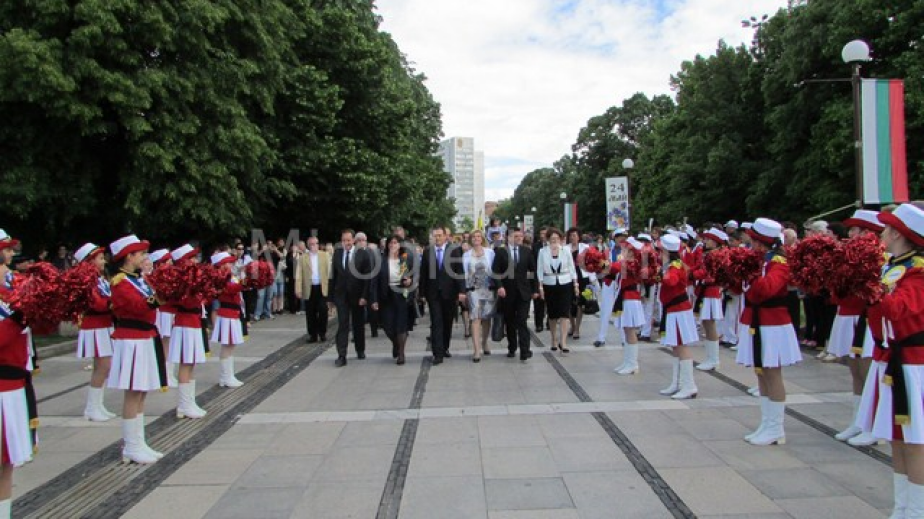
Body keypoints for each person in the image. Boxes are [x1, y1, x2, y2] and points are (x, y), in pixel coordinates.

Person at [852, 203, 924, 517]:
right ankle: (902, 506)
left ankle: (918, 510)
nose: (881, 233)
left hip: (912, 364)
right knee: (896, 438)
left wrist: (872, 286)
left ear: (897, 233)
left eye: (886, 228)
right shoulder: (891, 265)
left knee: (915, 441)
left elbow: (897, 310)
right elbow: (877, 317)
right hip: (890, 358)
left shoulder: (918, 271)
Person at [737, 218, 801, 446]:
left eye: (752, 239)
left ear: (760, 242)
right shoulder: (761, 260)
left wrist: (751, 272)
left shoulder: (778, 262)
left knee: (772, 374)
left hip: (773, 324)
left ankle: (776, 428)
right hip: (757, 320)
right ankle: (766, 423)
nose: (748, 242)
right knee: (761, 373)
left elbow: (767, 289)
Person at [107, 235, 166, 464]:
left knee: (142, 392)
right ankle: (130, 446)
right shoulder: (120, 282)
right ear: (128, 256)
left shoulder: (139, 279)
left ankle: (139, 442)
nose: (144, 257)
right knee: (133, 392)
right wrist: (161, 297)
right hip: (132, 339)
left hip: (145, 337)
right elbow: (138, 306)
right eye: (140, 253)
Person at [828, 210, 884, 446]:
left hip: (867, 319)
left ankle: (874, 425)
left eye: (854, 229)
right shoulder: (849, 255)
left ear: (868, 232)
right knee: (855, 371)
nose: (850, 234)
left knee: (869, 372)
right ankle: (858, 421)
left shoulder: (879, 257)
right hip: (850, 315)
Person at [0, 230, 36, 513]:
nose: (12, 256)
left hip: (13, 383)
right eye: (6, 252)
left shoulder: (8, 292)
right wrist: (18, 318)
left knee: (7, 461)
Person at [73, 242, 117, 422]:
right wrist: (114, 303)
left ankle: (97, 405)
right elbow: (96, 303)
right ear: (89, 261)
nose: (103, 261)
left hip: (104, 324)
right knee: (103, 366)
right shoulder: (87, 280)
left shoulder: (100, 278)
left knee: (103, 367)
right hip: (95, 326)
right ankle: (91, 407)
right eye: (99, 258)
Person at [167, 244, 208, 419]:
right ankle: (183, 405)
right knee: (186, 363)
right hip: (184, 323)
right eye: (191, 258)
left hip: (193, 322)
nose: (195, 261)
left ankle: (189, 401)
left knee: (191, 363)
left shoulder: (192, 279)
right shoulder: (180, 281)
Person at [658, 234, 699, 399]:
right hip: (673, 309)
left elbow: (671, 281)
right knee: (675, 346)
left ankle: (689, 385)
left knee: (681, 346)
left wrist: (661, 273)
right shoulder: (671, 265)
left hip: (679, 309)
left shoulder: (675, 266)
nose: (658, 254)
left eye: (661, 251)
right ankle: (677, 383)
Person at [419, 225, 466, 365]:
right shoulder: (428, 251)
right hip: (433, 293)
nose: (437, 238)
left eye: (440, 235)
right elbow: (423, 273)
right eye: (435, 235)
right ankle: (437, 353)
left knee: (447, 322)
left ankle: (445, 347)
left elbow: (459, 271)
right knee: (436, 322)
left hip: (450, 293)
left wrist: (462, 291)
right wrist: (421, 293)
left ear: (445, 236)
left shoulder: (454, 250)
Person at [494, 228, 539, 362]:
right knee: (510, 321)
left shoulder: (526, 251)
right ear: (508, 237)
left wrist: (535, 289)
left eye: (520, 236)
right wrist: (499, 286)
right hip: (507, 292)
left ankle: (525, 350)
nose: (519, 238)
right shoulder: (501, 252)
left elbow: (533, 271)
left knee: (522, 320)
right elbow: (495, 271)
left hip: (524, 292)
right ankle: (512, 347)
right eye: (516, 236)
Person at [328, 229, 371, 367]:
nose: (346, 243)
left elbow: (367, 278)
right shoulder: (337, 254)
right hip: (341, 296)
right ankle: (342, 355)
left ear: (353, 240)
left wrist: (364, 296)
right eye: (343, 240)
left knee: (358, 324)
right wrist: (330, 298)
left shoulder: (362, 254)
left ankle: (360, 349)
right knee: (343, 324)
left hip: (357, 295)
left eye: (348, 240)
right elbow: (333, 276)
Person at [372, 235, 417, 365]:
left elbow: (414, 275)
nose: (393, 245)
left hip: (401, 294)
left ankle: (401, 354)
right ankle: (396, 344)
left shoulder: (405, 259)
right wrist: (374, 299)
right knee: (387, 325)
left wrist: (410, 281)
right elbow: (374, 281)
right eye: (390, 243)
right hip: (386, 295)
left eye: (395, 243)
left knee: (401, 325)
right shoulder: (381, 260)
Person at [537, 228, 580, 353]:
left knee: (564, 313)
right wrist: (540, 287)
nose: (554, 240)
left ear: (560, 239)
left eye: (556, 238)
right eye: (552, 238)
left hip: (565, 282)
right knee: (552, 314)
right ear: (548, 239)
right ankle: (553, 339)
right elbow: (540, 269)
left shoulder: (565, 250)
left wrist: (575, 284)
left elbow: (572, 268)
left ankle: (563, 341)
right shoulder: (542, 251)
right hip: (549, 283)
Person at [693, 228, 728, 372]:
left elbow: (705, 272)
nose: (705, 241)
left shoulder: (714, 255)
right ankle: (711, 358)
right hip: (708, 290)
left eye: (708, 239)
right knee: (707, 324)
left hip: (710, 290)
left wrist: (690, 274)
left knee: (709, 324)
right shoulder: (714, 253)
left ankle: (713, 359)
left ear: (715, 242)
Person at [210, 252, 247, 387]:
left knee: (231, 346)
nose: (231, 264)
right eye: (228, 262)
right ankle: (226, 377)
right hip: (227, 314)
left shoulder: (230, 276)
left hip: (232, 313)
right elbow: (232, 288)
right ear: (221, 265)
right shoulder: (220, 278)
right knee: (228, 345)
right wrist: (246, 281)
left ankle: (227, 375)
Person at [611, 238, 647, 374]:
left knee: (630, 330)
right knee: (626, 330)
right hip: (625, 298)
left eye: (625, 249)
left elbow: (615, 267)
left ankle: (633, 364)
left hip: (630, 299)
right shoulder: (628, 262)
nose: (623, 250)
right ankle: (627, 361)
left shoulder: (633, 263)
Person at [463, 232, 494, 361]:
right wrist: (464, 290)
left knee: (486, 318)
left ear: (482, 239)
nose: (476, 238)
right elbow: (464, 273)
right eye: (474, 237)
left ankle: (484, 342)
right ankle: (476, 350)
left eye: (478, 236)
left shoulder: (490, 252)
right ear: (471, 240)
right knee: (476, 318)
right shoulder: (466, 255)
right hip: (473, 289)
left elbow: (494, 269)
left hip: (488, 289)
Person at [595, 229, 628, 348]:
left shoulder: (628, 252)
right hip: (609, 282)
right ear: (615, 238)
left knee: (622, 311)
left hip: (623, 282)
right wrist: (609, 267)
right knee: (606, 310)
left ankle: (625, 339)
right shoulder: (607, 251)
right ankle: (601, 338)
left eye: (624, 237)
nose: (622, 239)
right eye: (619, 237)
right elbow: (602, 266)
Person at [295, 236, 330, 343]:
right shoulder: (303, 258)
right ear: (308, 245)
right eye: (312, 244)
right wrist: (298, 289)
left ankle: (322, 332)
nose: (314, 246)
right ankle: (312, 335)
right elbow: (299, 274)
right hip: (309, 288)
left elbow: (329, 272)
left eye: (316, 243)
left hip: (321, 287)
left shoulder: (325, 255)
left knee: (323, 311)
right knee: (310, 313)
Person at [566, 227, 590, 340]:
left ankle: (577, 328)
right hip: (568, 277)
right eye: (570, 235)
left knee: (581, 303)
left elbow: (593, 261)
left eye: (574, 235)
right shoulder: (565, 248)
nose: (572, 237)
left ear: (579, 237)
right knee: (568, 303)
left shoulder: (586, 247)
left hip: (582, 277)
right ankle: (572, 324)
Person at [532, 227, 549, 332]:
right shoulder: (535, 246)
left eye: (544, 233)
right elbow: (532, 262)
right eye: (541, 233)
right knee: (538, 302)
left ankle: (549, 322)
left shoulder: (553, 246)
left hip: (550, 277)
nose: (542, 236)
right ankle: (539, 324)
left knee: (550, 301)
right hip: (538, 277)